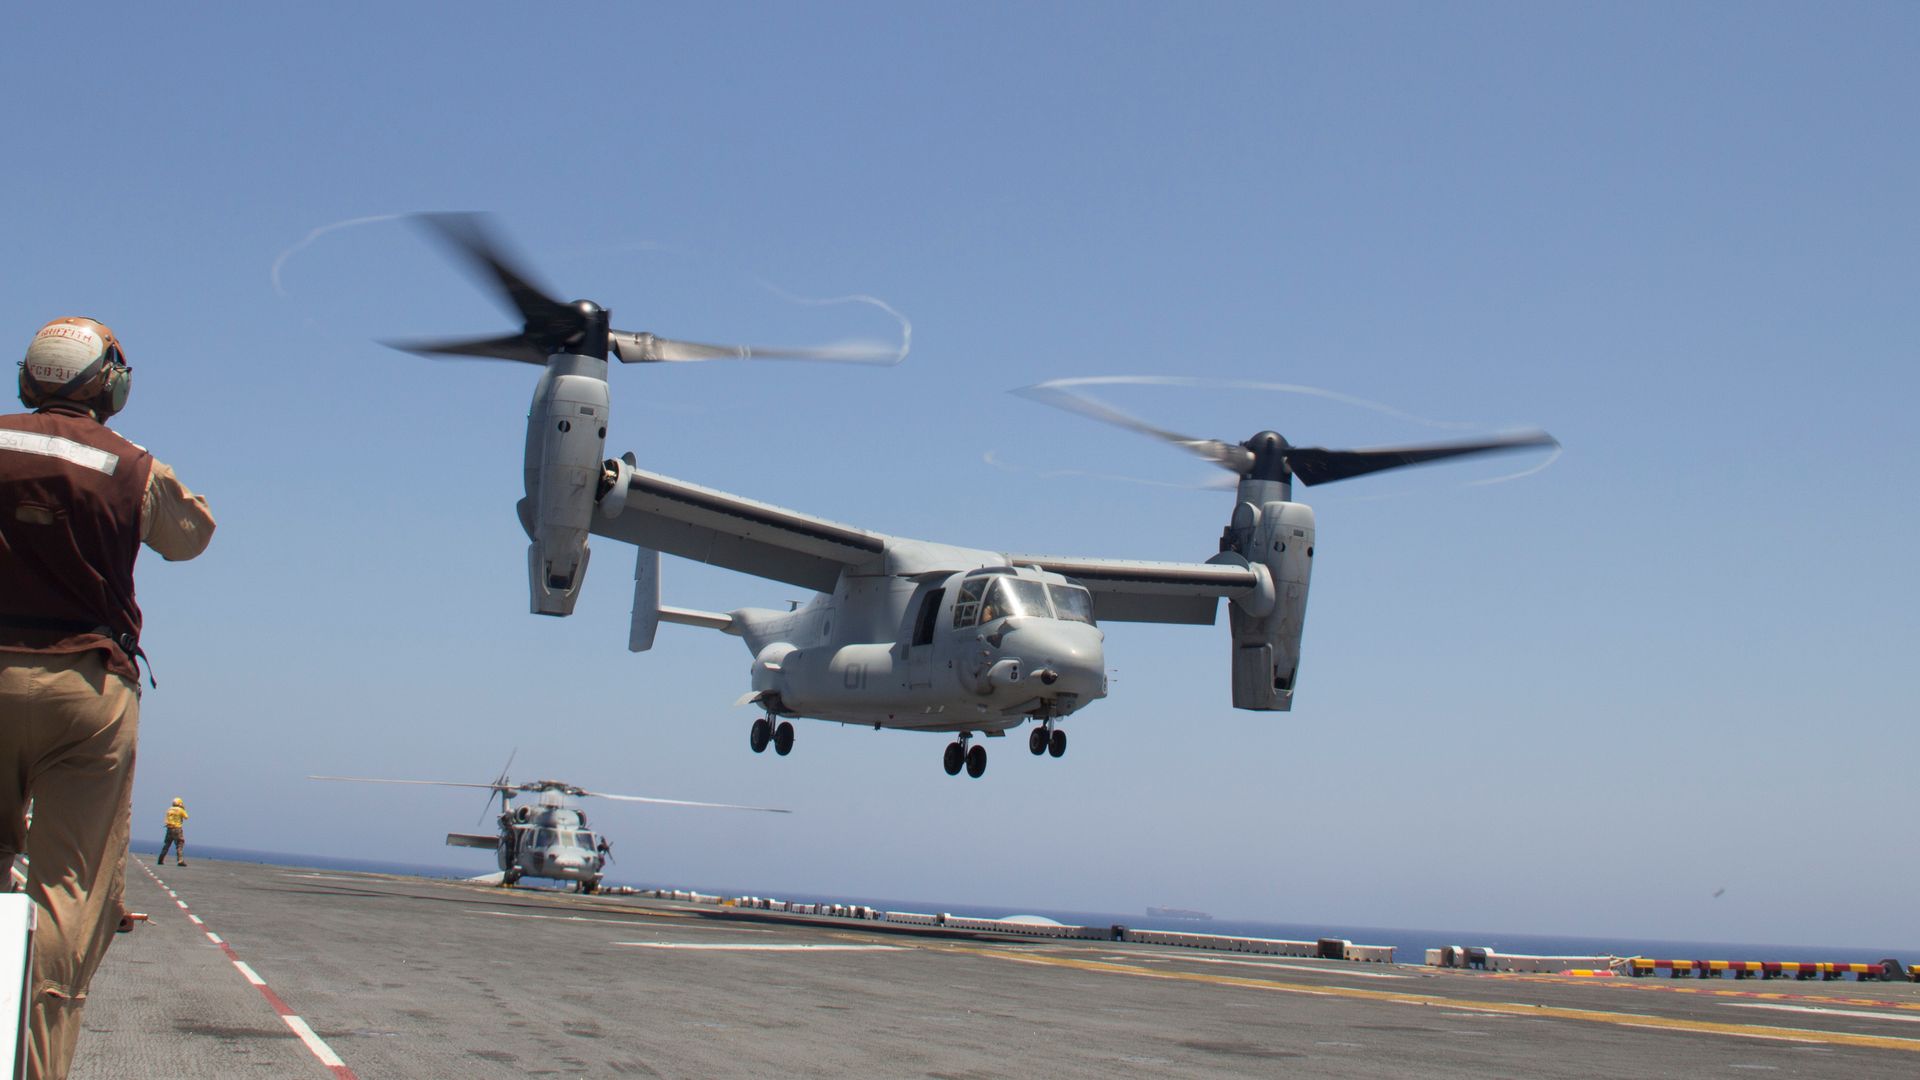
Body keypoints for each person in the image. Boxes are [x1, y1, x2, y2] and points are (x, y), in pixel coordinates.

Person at [0, 317, 214, 1080]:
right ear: (110, 386)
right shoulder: (130, 466)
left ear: (29, 376)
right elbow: (193, 536)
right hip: (84, 692)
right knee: (66, 892)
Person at [158, 798, 188, 865]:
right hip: (177, 829)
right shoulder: (180, 810)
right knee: (179, 844)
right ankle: (180, 860)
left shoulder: (169, 809)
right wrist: (183, 809)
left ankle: (160, 859)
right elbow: (186, 817)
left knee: (167, 844)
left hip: (169, 828)